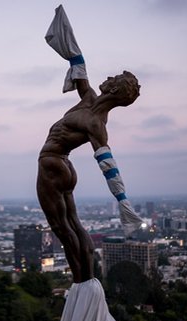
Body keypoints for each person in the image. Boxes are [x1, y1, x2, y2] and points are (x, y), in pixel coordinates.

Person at [37, 72, 141, 284]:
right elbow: (79, 69)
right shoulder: (89, 99)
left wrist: (122, 199)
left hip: (52, 164)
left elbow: (107, 164)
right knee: (73, 224)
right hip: (63, 165)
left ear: (113, 90)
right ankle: (87, 278)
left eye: (115, 78)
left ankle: (81, 281)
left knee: (62, 228)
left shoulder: (96, 124)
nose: (110, 76)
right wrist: (66, 40)